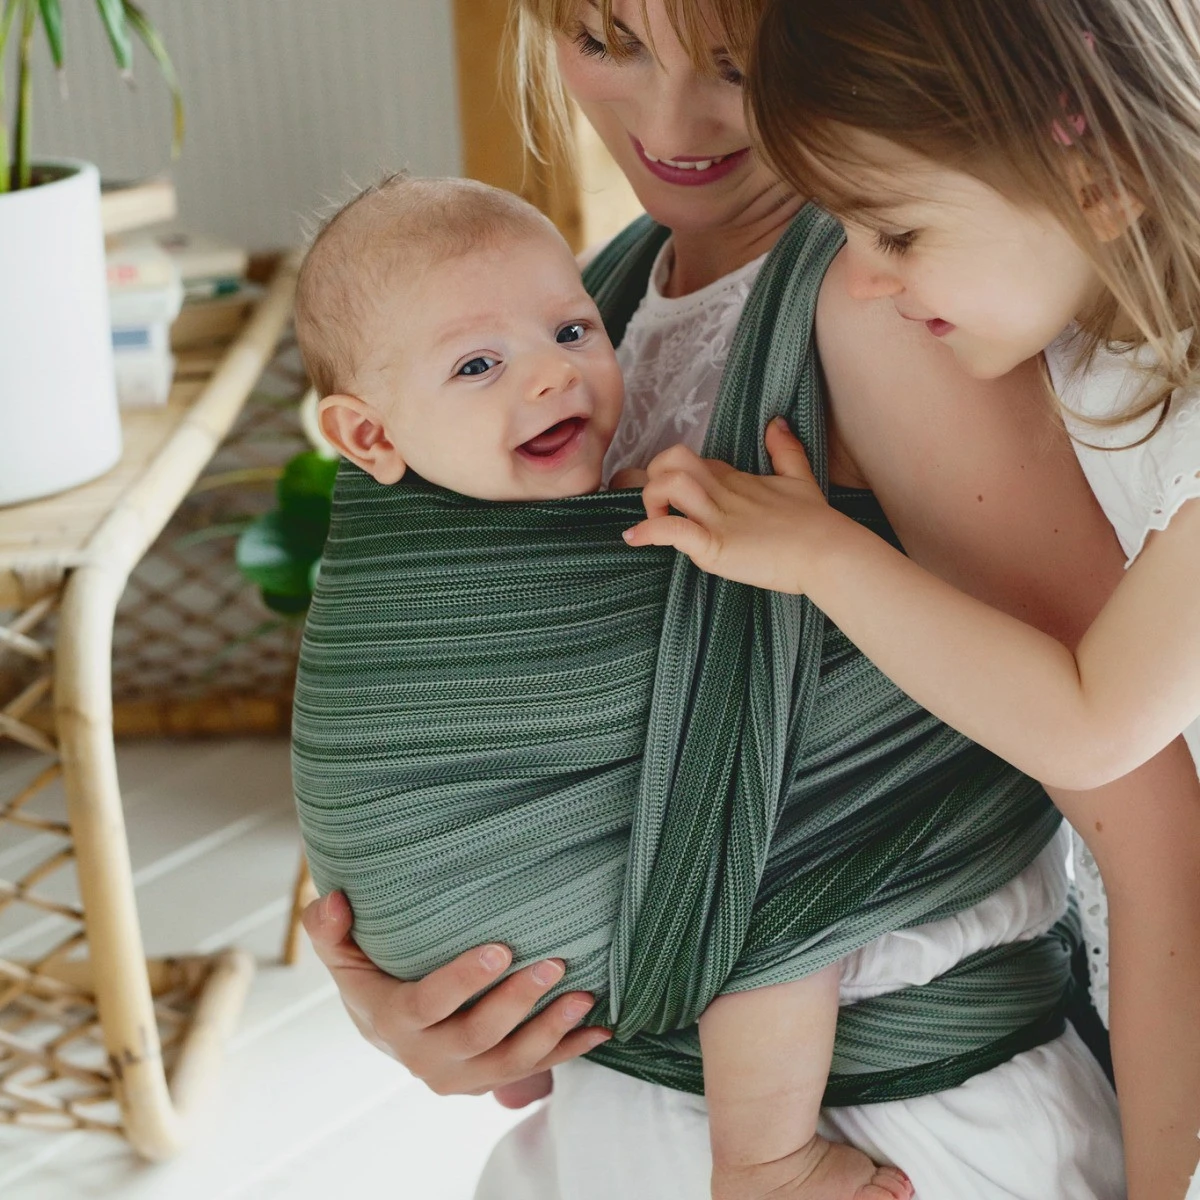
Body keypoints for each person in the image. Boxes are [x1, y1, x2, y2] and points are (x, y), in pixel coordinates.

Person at [298, 2, 1200, 1197]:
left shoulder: (885, 308)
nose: (671, 124)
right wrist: (419, 999)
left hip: (899, 1141)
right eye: (606, 43)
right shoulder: (603, 300)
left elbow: (1153, 838)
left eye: (738, 65)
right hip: (622, 1123)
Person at [619, 0, 1200, 1196]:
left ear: (1094, 179)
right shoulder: (1094, 342)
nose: (868, 276)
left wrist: (826, 556)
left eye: (897, 230)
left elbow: (1094, 725)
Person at [291, 171, 913, 1200]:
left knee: (746, 818)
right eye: (479, 364)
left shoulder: (623, 481)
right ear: (370, 438)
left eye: (573, 331)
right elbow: (381, 717)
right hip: (465, 926)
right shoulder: (410, 583)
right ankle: (765, 1160)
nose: (552, 376)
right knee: (773, 858)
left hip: (493, 970)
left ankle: (571, 1055)